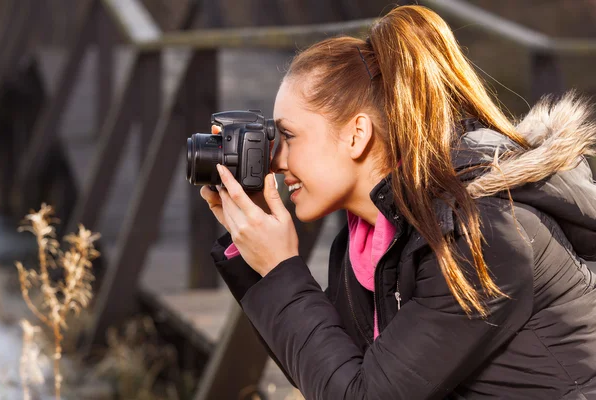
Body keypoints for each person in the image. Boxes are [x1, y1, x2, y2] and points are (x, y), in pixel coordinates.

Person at [200, 5, 596, 399]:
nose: (277, 159)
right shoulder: (369, 244)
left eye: (289, 136)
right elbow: (327, 375)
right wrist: (257, 260)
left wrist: (280, 268)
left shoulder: (481, 231)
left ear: (357, 135)